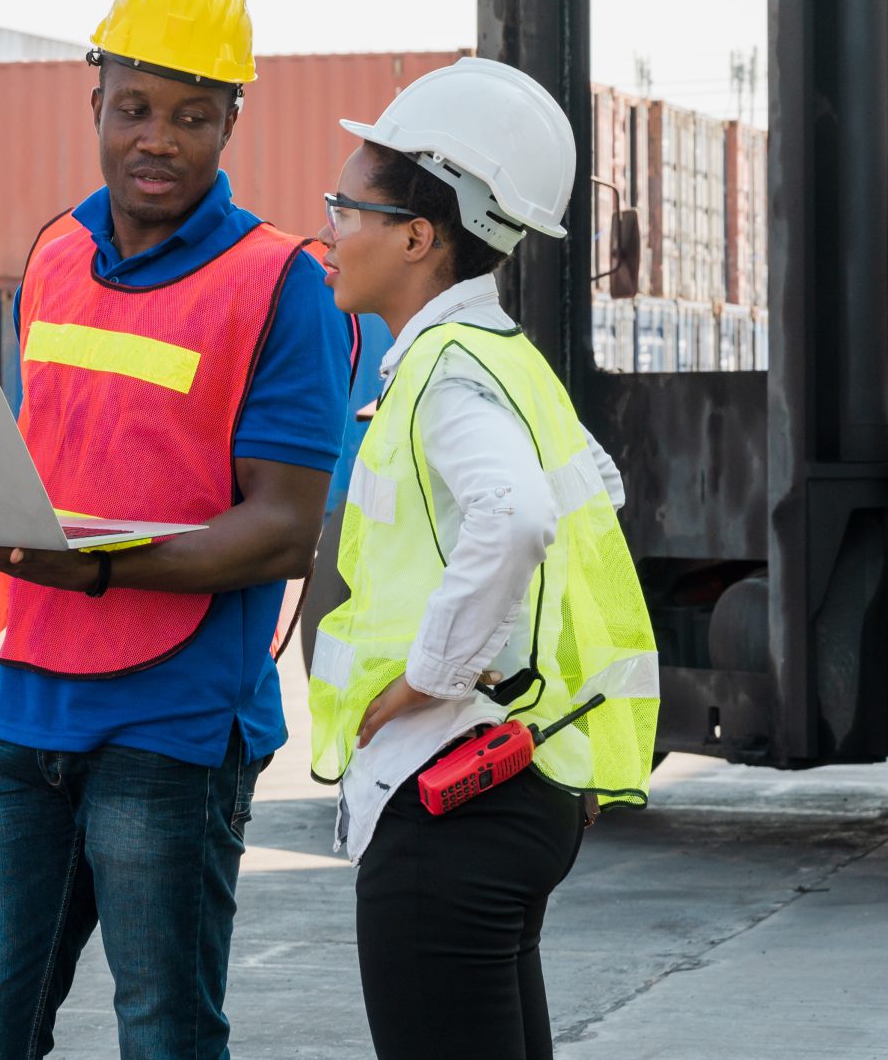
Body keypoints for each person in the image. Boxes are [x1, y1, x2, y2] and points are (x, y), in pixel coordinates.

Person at [0, 0, 361, 1060]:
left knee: (164, 1035)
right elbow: (21, 511)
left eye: (189, 115)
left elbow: (280, 530)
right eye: (133, 108)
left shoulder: (280, 285)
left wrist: (90, 569)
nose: (156, 138)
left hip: (171, 733)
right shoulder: (56, 257)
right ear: (96, 104)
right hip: (23, 719)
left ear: (230, 121)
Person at [308, 58, 661, 1060]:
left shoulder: (443, 376)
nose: (331, 228)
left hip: (446, 802)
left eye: (346, 206)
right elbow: (594, 496)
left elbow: (513, 519)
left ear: (416, 236)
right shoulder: (503, 358)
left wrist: (432, 674)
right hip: (518, 780)